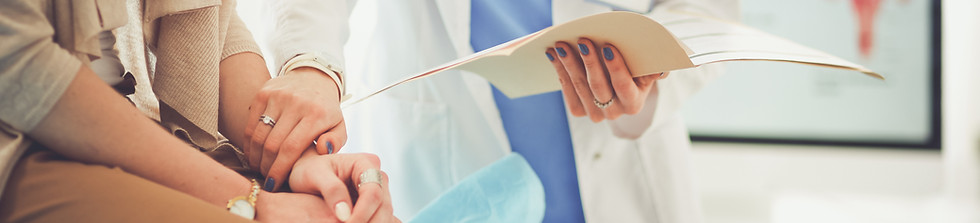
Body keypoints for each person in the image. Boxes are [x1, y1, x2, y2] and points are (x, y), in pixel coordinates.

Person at [267, 0, 736, 222]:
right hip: (448, 143)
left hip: (622, 166)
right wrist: (311, 66)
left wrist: (650, 76)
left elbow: (709, 9)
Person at [0, 0, 396, 222]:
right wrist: (254, 202)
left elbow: (214, 24)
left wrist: (293, 157)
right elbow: (23, 70)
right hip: (23, 149)